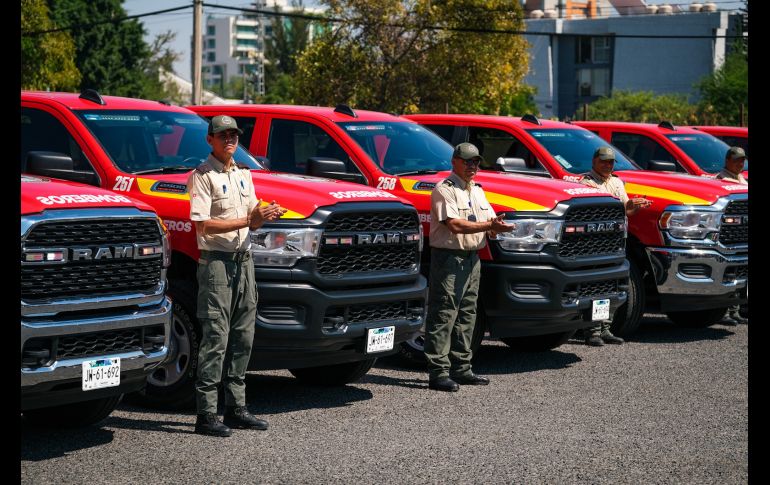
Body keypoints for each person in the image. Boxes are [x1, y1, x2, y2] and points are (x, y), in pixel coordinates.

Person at [188, 115, 286, 437]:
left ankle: (236, 407)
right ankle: (206, 414)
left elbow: (252, 214)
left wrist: (266, 213)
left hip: (244, 260)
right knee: (216, 336)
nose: (229, 139)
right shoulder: (202, 176)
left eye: (233, 134)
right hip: (217, 263)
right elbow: (203, 225)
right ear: (210, 139)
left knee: (243, 335)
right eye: (222, 135)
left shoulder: (244, 173)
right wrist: (248, 220)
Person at [425, 142, 514, 392]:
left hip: (473, 257)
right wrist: (489, 226)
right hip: (449, 258)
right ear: (454, 161)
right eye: (467, 161)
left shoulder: (477, 190)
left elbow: (490, 222)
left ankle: (462, 369)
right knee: (444, 314)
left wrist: (497, 228)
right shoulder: (444, 189)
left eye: (475, 161)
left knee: (467, 314)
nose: (472, 166)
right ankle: (438, 373)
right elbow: (454, 224)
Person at [580, 146, 651, 346]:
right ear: (594, 161)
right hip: (596, 244)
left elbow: (627, 211)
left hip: (617, 242)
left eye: (610, 161)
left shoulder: (617, 182)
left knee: (612, 286)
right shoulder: (586, 183)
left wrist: (636, 206)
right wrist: (626, 206)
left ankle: (605, 328)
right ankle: (592, 331)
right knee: (595, 287)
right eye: (603, 161)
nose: (607, 165)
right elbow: (596, 211)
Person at [714, 146, 748, 325]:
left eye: (742, 160)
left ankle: (735, 310)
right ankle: (725, 312)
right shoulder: (721, 179)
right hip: (728, 236)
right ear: (727, 161)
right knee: (729, 274)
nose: (740, 164)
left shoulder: (741, 178)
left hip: (741, 234)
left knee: (740, 274)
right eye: (736, 160)